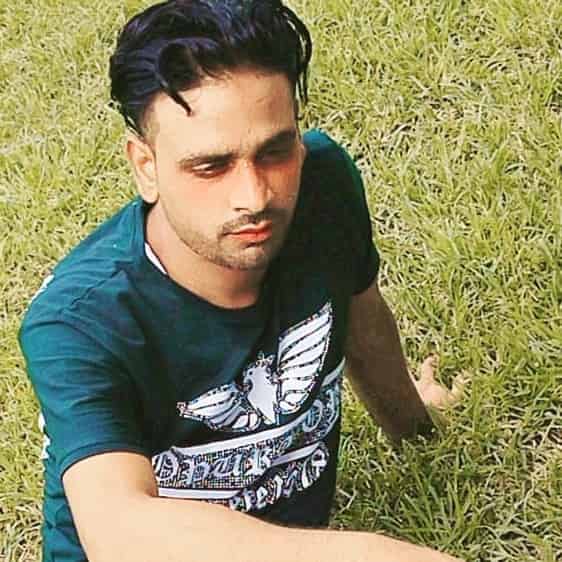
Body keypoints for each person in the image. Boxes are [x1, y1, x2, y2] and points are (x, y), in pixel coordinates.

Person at [19, 1, 465, 561]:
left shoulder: (323, 183)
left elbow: (361, 315)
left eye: (275, 151)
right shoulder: (80, 321)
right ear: (145, 167)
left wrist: (414, 428)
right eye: (211, 166)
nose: (254, 197)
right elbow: (119, 529)